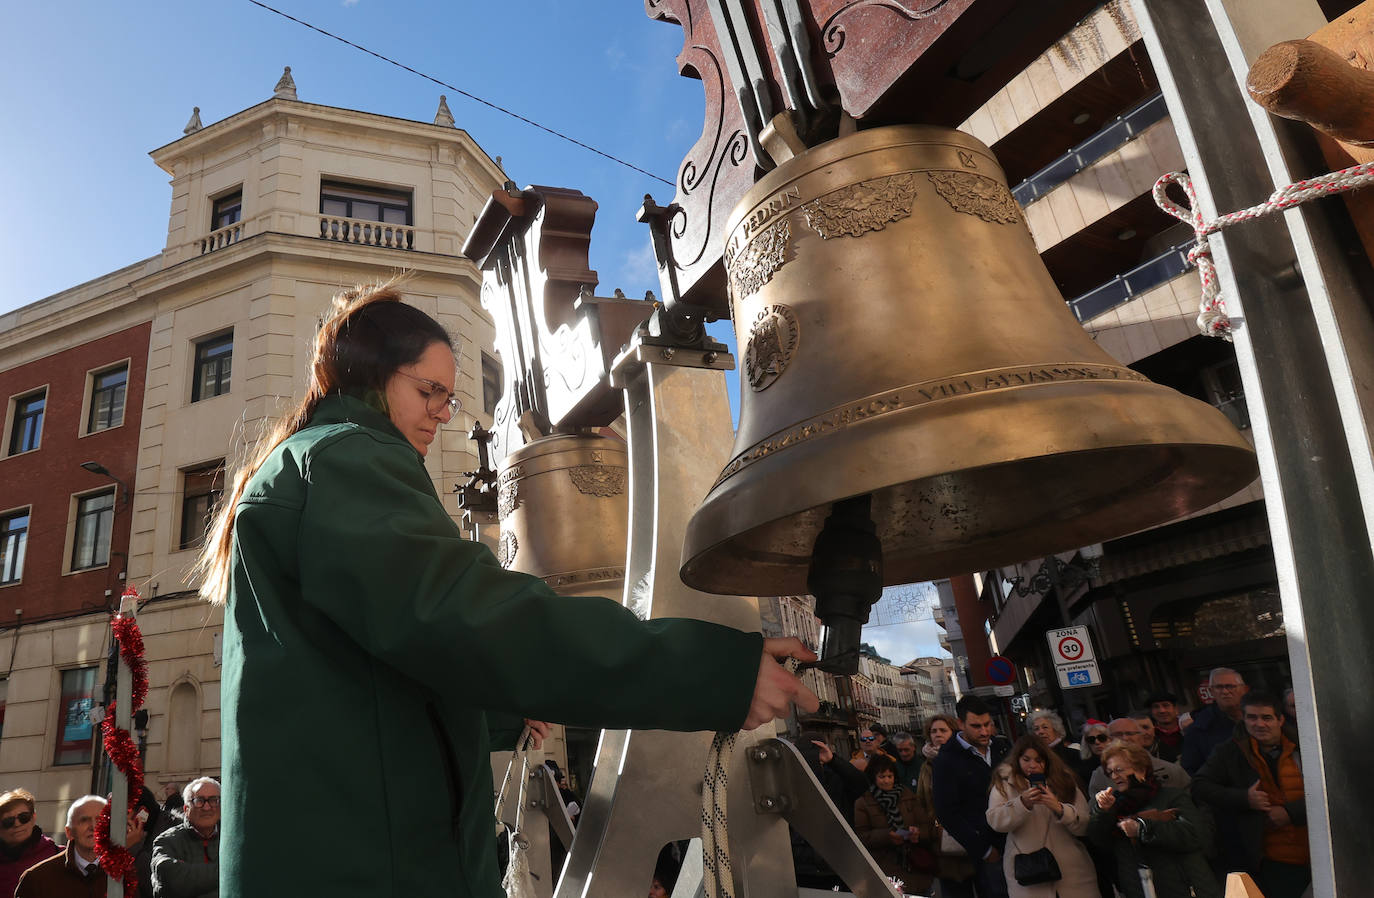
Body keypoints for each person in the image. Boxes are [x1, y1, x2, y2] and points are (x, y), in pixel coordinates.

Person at [194, 283, 819, 898]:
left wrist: (499, 712)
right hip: (370, 866)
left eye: (449, 394)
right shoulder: (345, 460)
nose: (445, 410)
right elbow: (466, 614)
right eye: (427, 390)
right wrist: (713, 673)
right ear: (367, 379)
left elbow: (372, 674)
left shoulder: (311, 464)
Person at [1191, 692, 1309, 898]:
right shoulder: (1229, 752)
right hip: (1268, 858)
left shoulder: (1306, 745)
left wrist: (1290, 812)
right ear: (1243, 719)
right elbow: (1199, 786)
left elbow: (1332, 790)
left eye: (1266, 717)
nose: (1259, 724)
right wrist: (1244, 799)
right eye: (1252, 717)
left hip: (1315, 849)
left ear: (1280, 719)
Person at [1086, 742, 1219, 898]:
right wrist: (1103, 811)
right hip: (1141, 889)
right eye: (1110, 772)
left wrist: (1142, 828)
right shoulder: (1115, 805)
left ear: (1141, 770)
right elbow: (1098, 839)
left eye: (1119, 770)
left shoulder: (1172, 796)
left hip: (1184, 886)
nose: (1114, 776)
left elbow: (1195, 835)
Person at [985, 736, 1100, 898]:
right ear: (1017, 759)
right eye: (1026, 759)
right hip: (1029, 872)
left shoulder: (1064, 780)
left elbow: (1085, 824)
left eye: (1039, 760)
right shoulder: (1005, 783)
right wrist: (1022, 803)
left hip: (1071, 872)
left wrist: (1059, 808)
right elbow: (995, 821)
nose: (1032, 765)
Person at [933, 696, 1012, 898]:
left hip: (1016, 840)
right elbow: (946, 812)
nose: (984, 731)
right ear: (960, 724)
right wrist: (984, 850)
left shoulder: (1001, 747)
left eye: (987, 724)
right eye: (976, 726)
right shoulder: (947, 759)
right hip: (989, 851)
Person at [15, 796, 146, 898]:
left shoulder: (125, 875)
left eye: (100, 820)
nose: (93, 826)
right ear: (69, 832)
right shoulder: (37, 879)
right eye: (84, 820)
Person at [853, 755, 932, 892]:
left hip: (914, 864)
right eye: (882, 777)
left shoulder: (907, 796)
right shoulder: (863, 803)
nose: (887, 781)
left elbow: (927, 826)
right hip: (884, 866)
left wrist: (917, 832)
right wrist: (887, 836)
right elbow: (862, 836)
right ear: (874, 778)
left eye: (890, 776)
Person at [915, 714, 975, 886]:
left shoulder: (966, 758)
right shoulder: (926, 767)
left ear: (953, 732)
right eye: (933, 731)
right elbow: (921, 802)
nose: (937, 734)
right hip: (941, 840)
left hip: (969, 834)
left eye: (943, 730)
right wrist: (932, 829)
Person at [150, 777, 220, 898]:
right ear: (186, 809)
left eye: (214, 800)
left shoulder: (234, 842)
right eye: (199, 801)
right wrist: (227, 873)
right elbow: (171, 880)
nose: (207, 807)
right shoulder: (166, 841)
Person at [1087, 718, 1190, 795]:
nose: (1125, 738)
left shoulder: (1172, 770)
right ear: (1109, 740)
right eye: (1118, 734)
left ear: (1141, 737)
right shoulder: (1100, 776)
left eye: (1130, 733)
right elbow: (1095, 814)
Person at [1181, 668, 1249, 774]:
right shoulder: (1198, 729)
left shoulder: (1259, 718)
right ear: (1211, 691)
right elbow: (1193, 772)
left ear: (1244, 689)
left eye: (1230, 686)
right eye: (1218, 687)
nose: (1225, 691)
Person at [0, 788, 60, 898]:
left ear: (33, 818)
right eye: (8, 821)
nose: (17, 824)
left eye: (24, 817)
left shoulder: (61, 855)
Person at [1028, 710, 1080, 780]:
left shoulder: (1073, 755)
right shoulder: (1034, 760)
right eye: (1036, 729)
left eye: (1045, 727)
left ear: (1056, 730)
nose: (1041, 731)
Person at [1146, 693, 1185, 763]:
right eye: (1156, 707)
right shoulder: (1149, 736)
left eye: (1166, 705)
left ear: (1175, 709)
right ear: (1151, 712)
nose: (1162, 711)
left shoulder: (1189, 729)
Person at [1077, 721, 1111, 786]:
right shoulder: (1085, 770)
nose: (1097, 742)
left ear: (1110, 739)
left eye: (1102, 738)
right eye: (1091, 739)